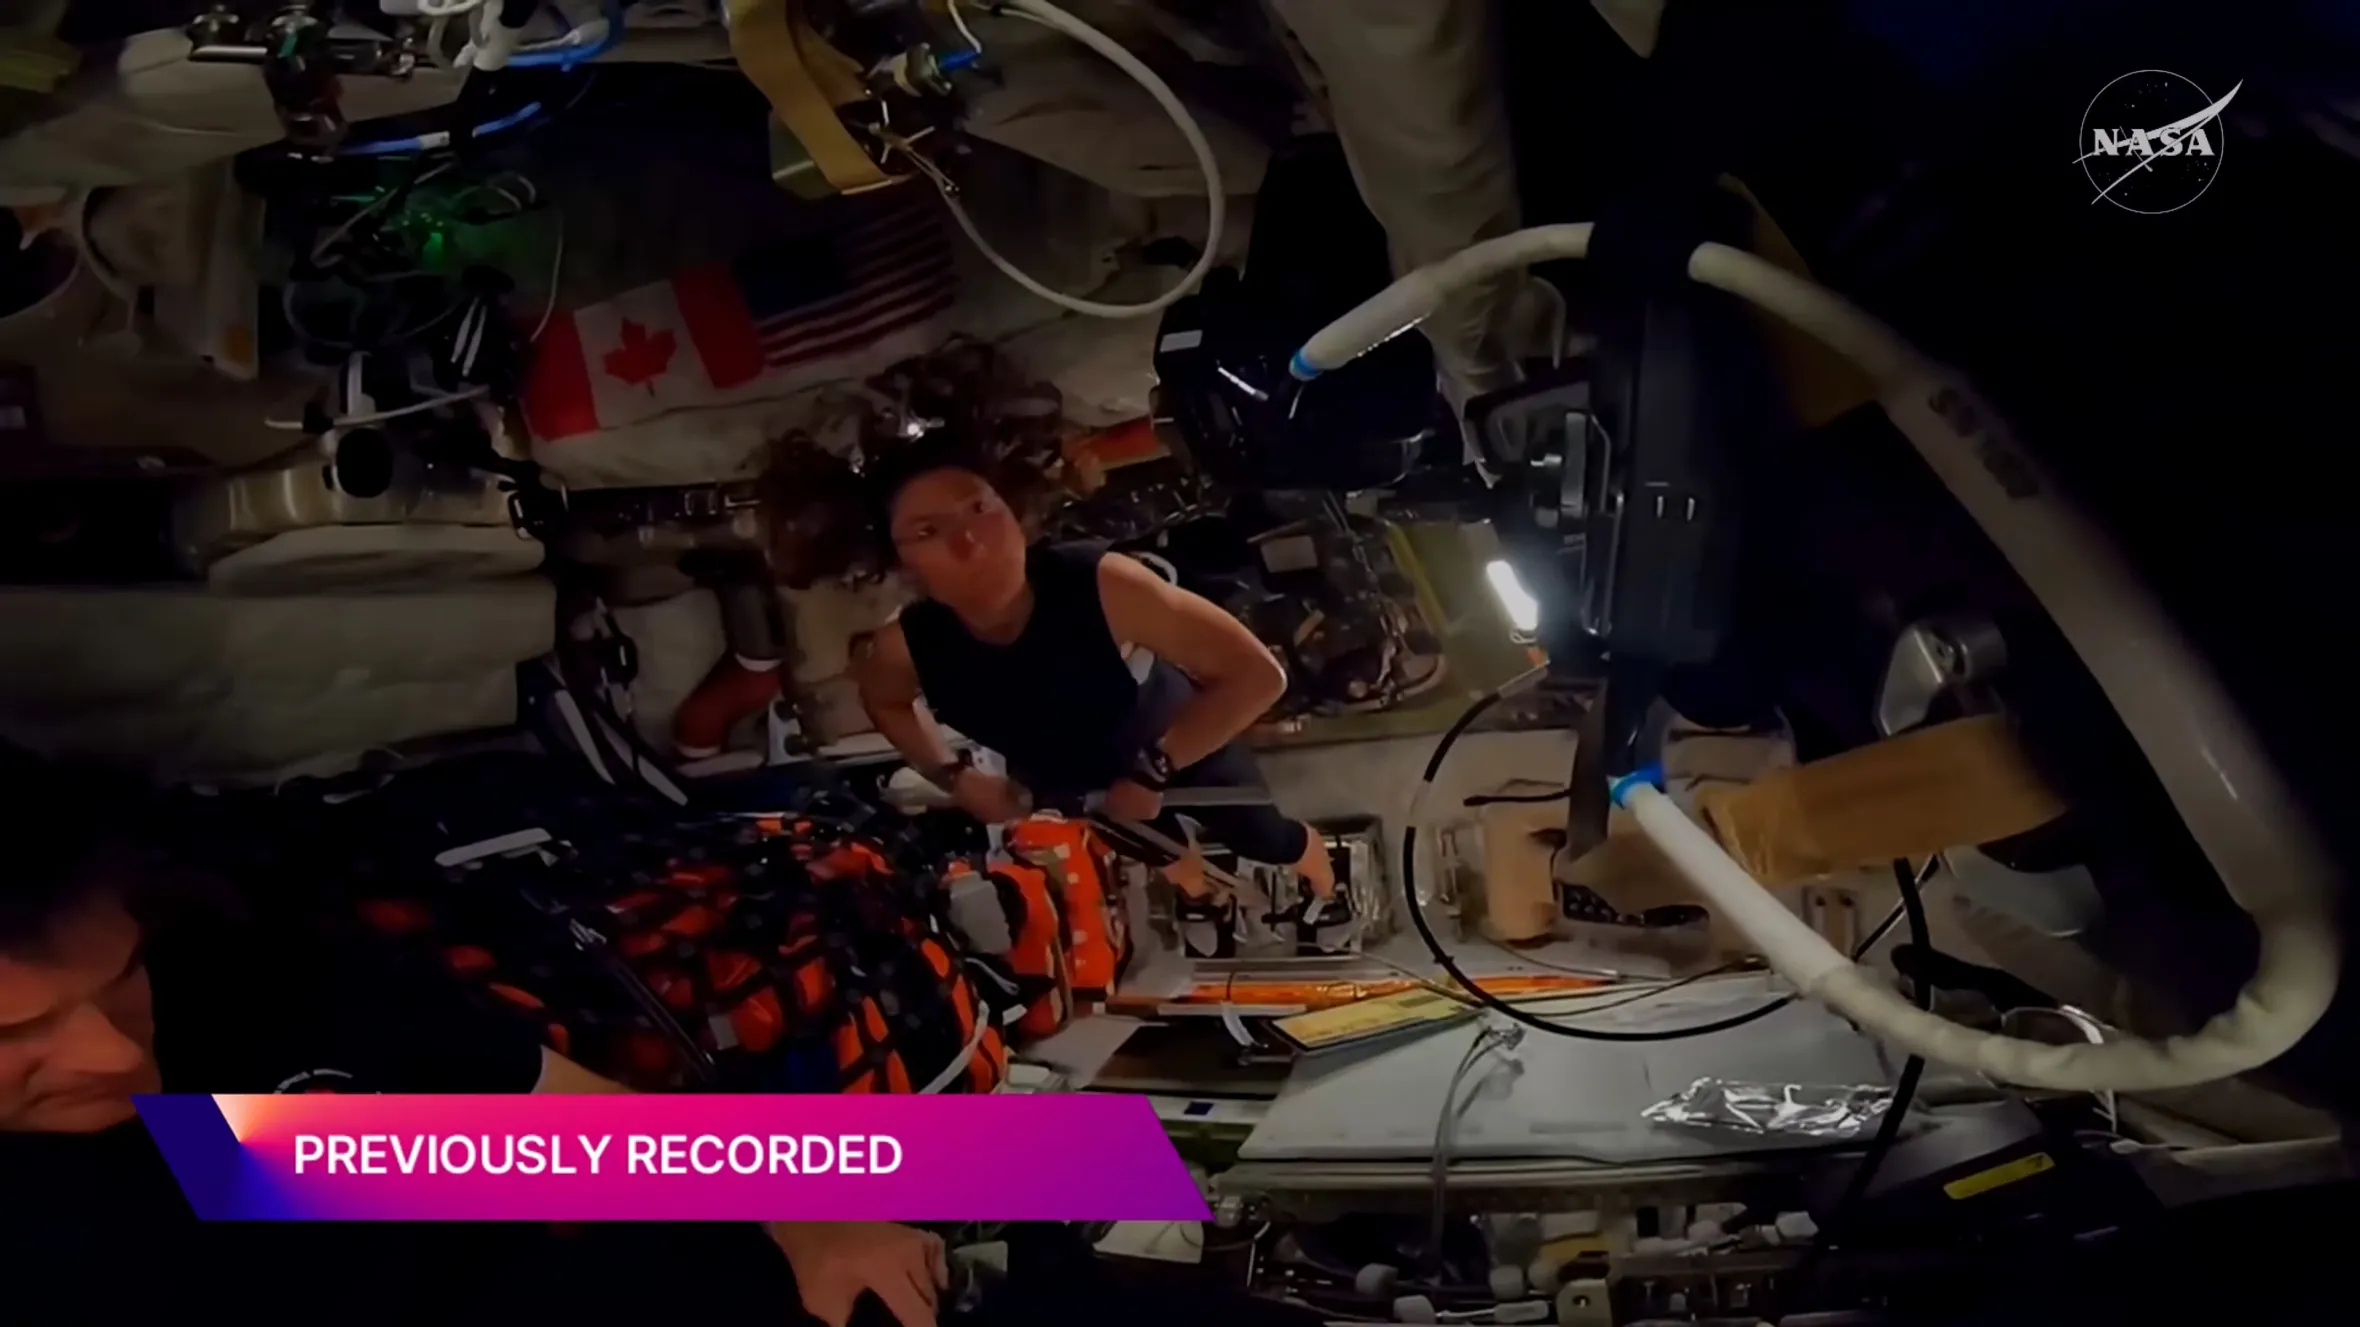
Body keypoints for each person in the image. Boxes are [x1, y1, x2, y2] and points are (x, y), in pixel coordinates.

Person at [0, 750, 947, 1327]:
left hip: (711, 1296)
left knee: (1068, 1167)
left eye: (120, 978)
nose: (117, 1055)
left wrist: (804, 1211)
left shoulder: (244, 1001)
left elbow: (560, 1127)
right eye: (17, 1031)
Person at [851, 432, 1342, 930]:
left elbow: (1257, 676)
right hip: (1077, 789)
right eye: (928, 531)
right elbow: (886, 703)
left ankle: (1325, 880)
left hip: (1184, 750)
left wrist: (1156, 768)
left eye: (980, 507)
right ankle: (1203, 895)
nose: (970, 542)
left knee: (1264, 839)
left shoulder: (1106, 586)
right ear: (900, 564)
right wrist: (954, 776)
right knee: (1164, 855)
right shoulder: (906, 647)